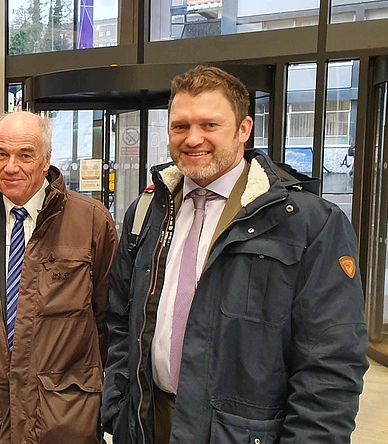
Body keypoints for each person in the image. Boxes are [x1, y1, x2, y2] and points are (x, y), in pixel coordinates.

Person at [101, 66, 368, 443]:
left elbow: (331, 364)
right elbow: (120, 321)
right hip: (148, 424)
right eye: (180, 127)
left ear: (244, 129)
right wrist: (117, 406)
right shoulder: (146, 213)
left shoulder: (309, 224)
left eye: (210, 125)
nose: (193, 139)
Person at [0, 111, 118, 443]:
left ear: (46, 160)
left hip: (63, 415)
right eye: (2, 154)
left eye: (25, 155)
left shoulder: (92, 222)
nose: (11, 167)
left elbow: (105, 318)